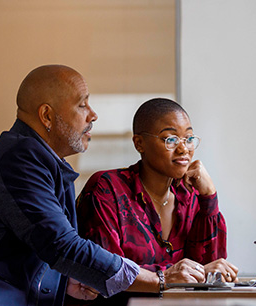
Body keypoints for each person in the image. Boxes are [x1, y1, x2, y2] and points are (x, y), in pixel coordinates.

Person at [0, 66, 204, 306]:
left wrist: (72, 281)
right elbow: (60, 244)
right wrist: (159, 280)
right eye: (82, 104)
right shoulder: (20, 159)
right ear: (47, 115)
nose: (93, 115)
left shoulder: (40, 162)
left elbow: (36, 245)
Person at [75, 98, 238, 300]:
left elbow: (210, 274)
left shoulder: (190, 195)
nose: (183, 149)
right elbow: (105, 272)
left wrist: (209, 197)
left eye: (188, 138)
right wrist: (171, 275)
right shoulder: (108, 188)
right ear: (139, 143)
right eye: (170, 139)